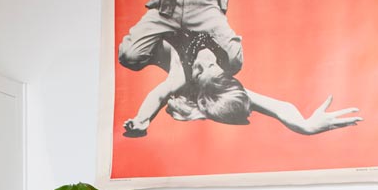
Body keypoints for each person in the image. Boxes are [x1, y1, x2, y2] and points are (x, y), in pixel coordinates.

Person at [122, 35, 361, 137]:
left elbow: (159, 94)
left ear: (197, 85)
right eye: (215, 66)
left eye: (204, 68)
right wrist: (306, 125)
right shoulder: (224, 78)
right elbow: (279, 107)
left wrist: (142, 120)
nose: (207, 61)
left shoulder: (181, 78)